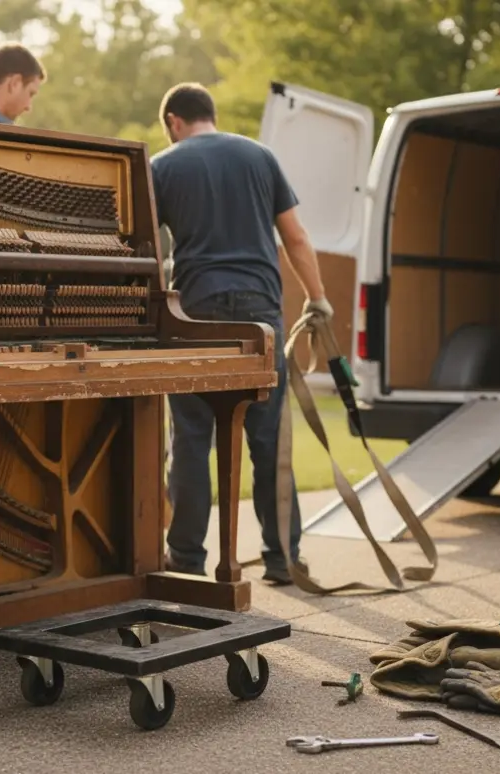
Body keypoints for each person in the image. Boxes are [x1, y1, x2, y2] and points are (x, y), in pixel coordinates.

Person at [150, 82, 333, 586]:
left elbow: (149, 251)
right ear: (211, 114)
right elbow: (295, 237)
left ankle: (185, 557)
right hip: (259, 315)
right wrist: (317, 300)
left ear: (173, 123)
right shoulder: (260, 156)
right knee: (269, 439)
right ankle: (282, 561)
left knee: (190, 436)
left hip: (195, 311)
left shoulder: (163, 167)